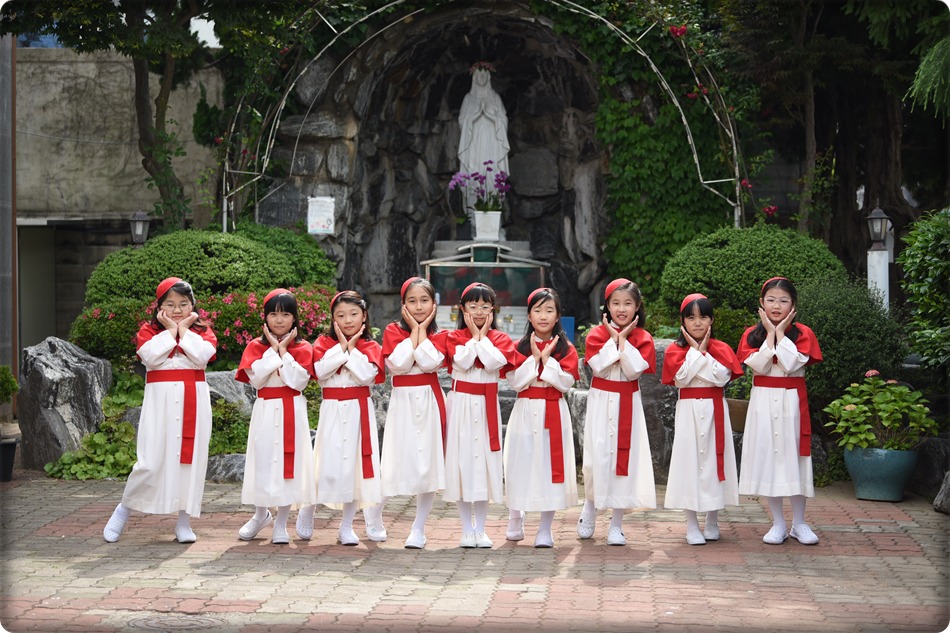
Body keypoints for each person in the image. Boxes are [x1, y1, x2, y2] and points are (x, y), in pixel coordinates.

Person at [103, 277, 217, 544]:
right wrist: (170, 331)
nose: (177, 310)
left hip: (193, 401)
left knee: (190, 460)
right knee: (150, 460)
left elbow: (203, 356)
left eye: (183, 304)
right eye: (170, 304)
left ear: (193, 305)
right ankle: (123, 510)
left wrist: (184, 331)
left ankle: (184, 522)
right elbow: (150, 357)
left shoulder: (203, 331)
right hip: (159, 404)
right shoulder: (148, 331)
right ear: (160, 307)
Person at [362, 277, 448, 549]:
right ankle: (374, 511)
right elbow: (397, 365)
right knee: (396, 460)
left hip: (431, 400)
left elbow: (430, 363)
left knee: (429, 466)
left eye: (424, 300)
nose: (419, 306)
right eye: (412, 301)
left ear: (434, 304)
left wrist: (420, 335)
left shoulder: (442, 334)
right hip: (403, 402)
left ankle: (418, 528)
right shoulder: (392, 330)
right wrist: (416, 332)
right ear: (403, 305)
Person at [737, 277, 823, 545]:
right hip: (763, 402)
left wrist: (781, 334)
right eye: (771, 300)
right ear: (761, 303)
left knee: (794, 460)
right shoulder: (751, 335)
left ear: (793, 305)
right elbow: (759, 366)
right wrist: (770, 334)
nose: (776, 306)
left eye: (783, 301)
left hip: (792, 404)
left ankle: (799, 523)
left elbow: (790, 363)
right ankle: (778, 523)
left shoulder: (803, 334)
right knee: (770, 461)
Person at [234, 288, 317, 544]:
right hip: (265, 409)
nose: (279, 320)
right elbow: (257, 379)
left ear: (295, 318)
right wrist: (274, 350)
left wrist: (282, 352)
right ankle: (261, 514)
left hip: (292, 409)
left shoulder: (303, 347)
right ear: (265, 317)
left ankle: (281, 523)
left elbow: (298, 382)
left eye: (285, 314)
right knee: (262, 460)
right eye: (273, 314)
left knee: (289, 465)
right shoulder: (255, 346)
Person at [578, 278, 656, 546]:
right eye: (616, 303)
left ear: (637, 306)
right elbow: (598, 367)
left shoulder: (643, 338)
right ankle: (590, 506)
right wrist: (615, 340)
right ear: (607, 306)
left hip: (627, 401)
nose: (621, 309)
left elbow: (634, 370)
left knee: (625, 461)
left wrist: (622, 341)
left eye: (628, 303)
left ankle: (617, 524)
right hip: (601, 400)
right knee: (596, 458)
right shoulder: (595, 335)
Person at [662, 293, 744, 545]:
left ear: (712, 320)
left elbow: (720, 378)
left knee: (713, 462)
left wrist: (699, 354)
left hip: (714, 410)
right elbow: (681, 379)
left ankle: (712, 520)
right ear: (682, 321)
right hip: (688, 412)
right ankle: (691, 524)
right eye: (691, 317)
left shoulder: (722, 349)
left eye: (703, 317)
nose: (697, 323)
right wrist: (698, 353)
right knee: (688, 463)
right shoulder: (675, 350)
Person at [443, 282, 519, 548]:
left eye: (485, 307)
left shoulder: (501, 338)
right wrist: (476, 337)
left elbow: (494, 363)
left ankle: (481, 528)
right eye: (473, 306)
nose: (478, 312)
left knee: (485, 464)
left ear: (493, 310)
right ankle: (466, 528)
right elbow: (462, 361)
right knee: (462, 462)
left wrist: (481, 338)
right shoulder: (453, 337)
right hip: (461, 405)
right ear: (462, 309)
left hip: (487, 406)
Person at [504, 288, 579, 548]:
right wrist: (535, 359)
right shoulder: (519, 347)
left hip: (553, 410)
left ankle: (545, 528)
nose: (543, 316)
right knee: (518, 463)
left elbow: (566, 383)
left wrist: (547, 361)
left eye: (549, 310)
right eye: (538, 310)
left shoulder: (566, 348)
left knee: (550, 467)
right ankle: (515, 517)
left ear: (558, 316)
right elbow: (515, 382)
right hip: (525, 410)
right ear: (529, 315)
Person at [309, 290, 384, 546]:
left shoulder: (371, 346)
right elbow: (320, 372)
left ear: (364, 316)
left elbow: (366, 376)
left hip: (359, 410)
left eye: (353, 314)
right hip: (331, 409)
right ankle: (308, 509)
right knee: (324, 462)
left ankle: (346, 525)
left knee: (355, 468)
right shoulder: (322, 343)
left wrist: (350, 350)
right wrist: (343, 348)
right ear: (333, 319)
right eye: (340, 315)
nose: (348, 320)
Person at [457, 62, 509, 215]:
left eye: (484, 74)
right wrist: (474, 117)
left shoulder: (495, 97)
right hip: (474, 142)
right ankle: (474, 214)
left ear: (489, 77)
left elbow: (503, 119)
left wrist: (490, 116)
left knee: (491, 174)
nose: (481, 77)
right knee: (475, 173)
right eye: (479, 74)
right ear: (474, 77)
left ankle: (492, 212)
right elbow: (461, 120)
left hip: (492, 143)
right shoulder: (468, 98)